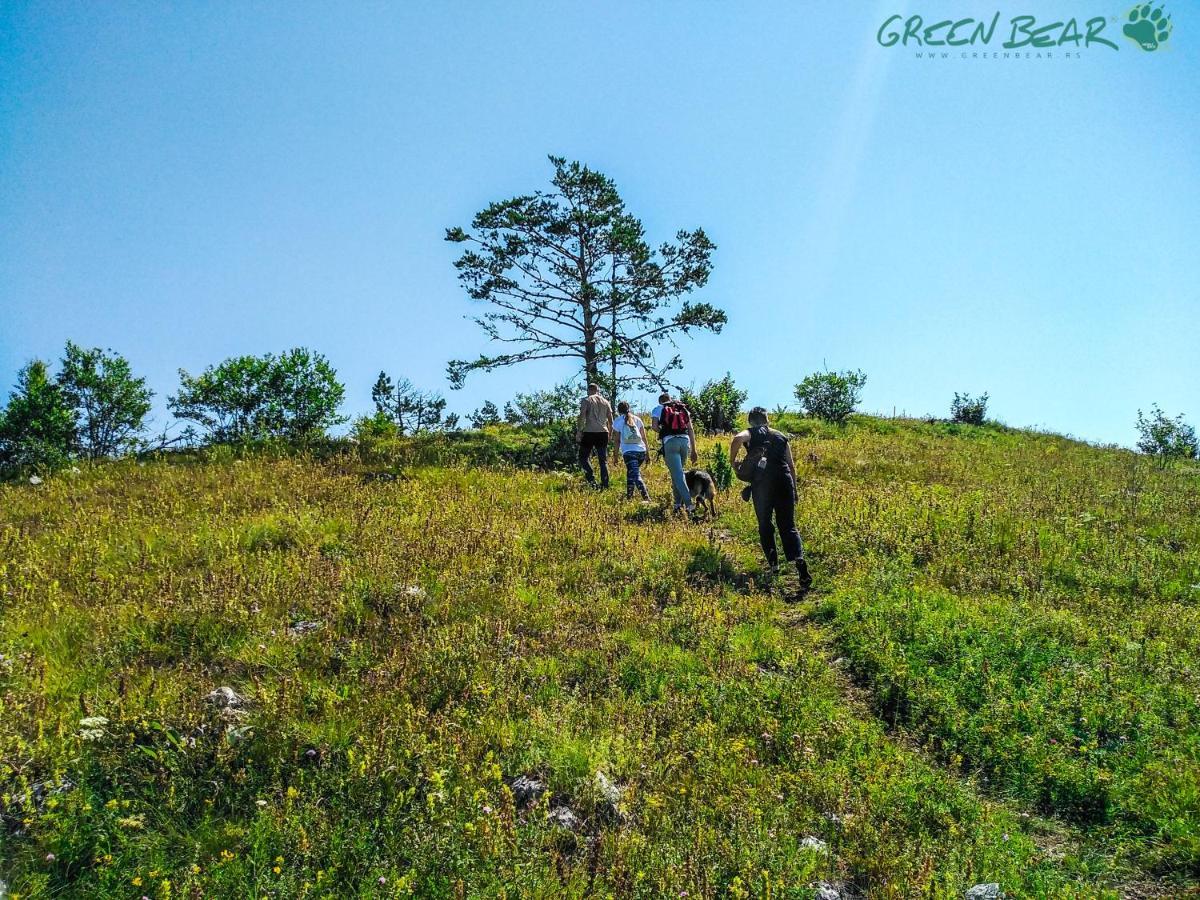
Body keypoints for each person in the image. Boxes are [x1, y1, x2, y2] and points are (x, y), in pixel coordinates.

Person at [730, 407, 813, 595]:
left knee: (765, 524)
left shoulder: (751, 433)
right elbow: (791, 465)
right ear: (767, 419)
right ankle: (799, 560)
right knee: (788, 526)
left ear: (751, 421)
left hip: (762, 485)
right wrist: (795, 490)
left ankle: (774, 565)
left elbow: (736, 439)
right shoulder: (780, 436)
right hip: (784, 481)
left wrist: (732, 461)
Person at [657, 394, 698, 515]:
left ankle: (689, 504)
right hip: (685, 441)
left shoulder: (659, 409)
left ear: (661, 401)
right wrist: (694, 450)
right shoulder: (682, 408)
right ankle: (677, 504)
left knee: (678, 475)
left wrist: (664, 432)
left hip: (670, 442)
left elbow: (655, 426)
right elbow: (690, 429)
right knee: (677, 474)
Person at [576, 383, 614, 489]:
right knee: (603, 460)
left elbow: (582, 416)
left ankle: (591, 479)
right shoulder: (606, 402)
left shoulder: (586, 400)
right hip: (603, 432)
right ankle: (605, 484)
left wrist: (579, 431)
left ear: (589, 390)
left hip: (590, 431)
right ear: (598, 390)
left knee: (583, 457)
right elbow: (611, 420)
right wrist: (610, 433)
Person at [614, 401, 650, 500]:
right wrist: (647, 453)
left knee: (635, 475)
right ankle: (629, 497)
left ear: (618, 410)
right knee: (631, 473)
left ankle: (646, 498)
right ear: (629, 408)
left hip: (629, 452)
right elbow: (644, 438)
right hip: (641, 452)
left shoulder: (617, 421)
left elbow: (617, 441)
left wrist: (615, 457)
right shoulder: (637, 419)